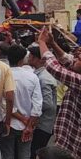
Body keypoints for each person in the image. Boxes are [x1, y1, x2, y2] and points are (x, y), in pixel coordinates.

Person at [38, 28, 81, 158]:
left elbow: (54, 68)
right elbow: (68, 61)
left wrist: (41, 43)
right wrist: (53, 44)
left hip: (74, 148)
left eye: (79, 58)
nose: (75, 58)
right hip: (69, 142)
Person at [1, 44, 42, 159]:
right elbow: (37, 105)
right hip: (27, 123)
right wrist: (29, 124)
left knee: (7, 154)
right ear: (23, 59)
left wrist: (21, 118)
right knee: (24, 155)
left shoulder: (4, 75)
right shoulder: (32, 77)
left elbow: (4, 102)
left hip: (8, 122)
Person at [27, 46, 57, 158]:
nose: (29, 58)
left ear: (39, 59)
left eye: (31, 56)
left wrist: (33, 111)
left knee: (35, 153)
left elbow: (47, 104)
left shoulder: (43, 78)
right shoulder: (39, 74)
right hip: (42, 123)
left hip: (42, 125)